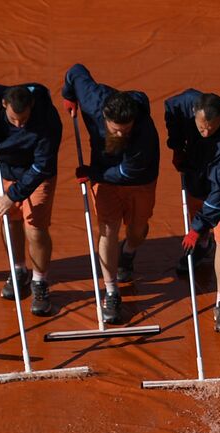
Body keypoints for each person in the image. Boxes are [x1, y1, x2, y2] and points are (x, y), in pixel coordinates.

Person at [62, 65, 159, 325]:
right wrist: (68, 94)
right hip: (105, 180)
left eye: (126, 130)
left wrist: (92, 173)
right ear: (104, 115)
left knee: (137, 231)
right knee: (107, 229)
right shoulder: (94, 99)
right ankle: (111, 290)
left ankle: (128, 251)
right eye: (116, 130)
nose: (121, 134)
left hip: (139, 181)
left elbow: (127, 173)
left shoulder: (143, 134)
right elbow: (75, 71)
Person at [0, 82, 63, 317]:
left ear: (31, 107)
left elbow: (42, 166)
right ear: (4, 105)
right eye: (13, 119)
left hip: (37, 175)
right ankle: (18, 271)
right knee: (8, 222)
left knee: (35, 229)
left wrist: (13, 195)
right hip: (6, 169)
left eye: (24, 119)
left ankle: (39, 282)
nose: (19, 124)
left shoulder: (47, 121)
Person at [164, 90, 220, 335]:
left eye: (210, 128)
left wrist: (198, 227)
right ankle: (201, 245)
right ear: (195, 113)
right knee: (197, 217)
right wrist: (177, 144)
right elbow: (171, 108)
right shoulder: (184, 103)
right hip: (196, 172)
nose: (205, 132)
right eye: (201, 127)